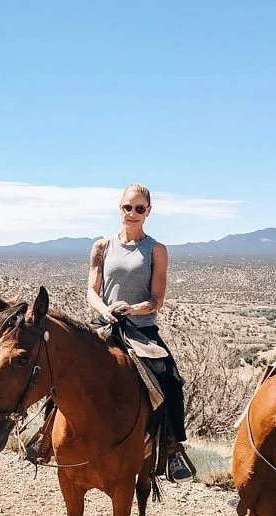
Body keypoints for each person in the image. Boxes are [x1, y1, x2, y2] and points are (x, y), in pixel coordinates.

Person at [86, 183, 193, 481]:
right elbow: (91, 291)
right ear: (119, 208)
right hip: (104, 325)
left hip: (141, 329)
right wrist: (105, 310)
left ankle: (172, 449)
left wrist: (133, 309)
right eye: (127, 207)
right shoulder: (102, 246)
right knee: (67, 364)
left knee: (170, 380)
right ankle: (44, 437)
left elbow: (158, 298)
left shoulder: (156, 250)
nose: (132, 213)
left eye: (139, 208)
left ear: (148, 211)